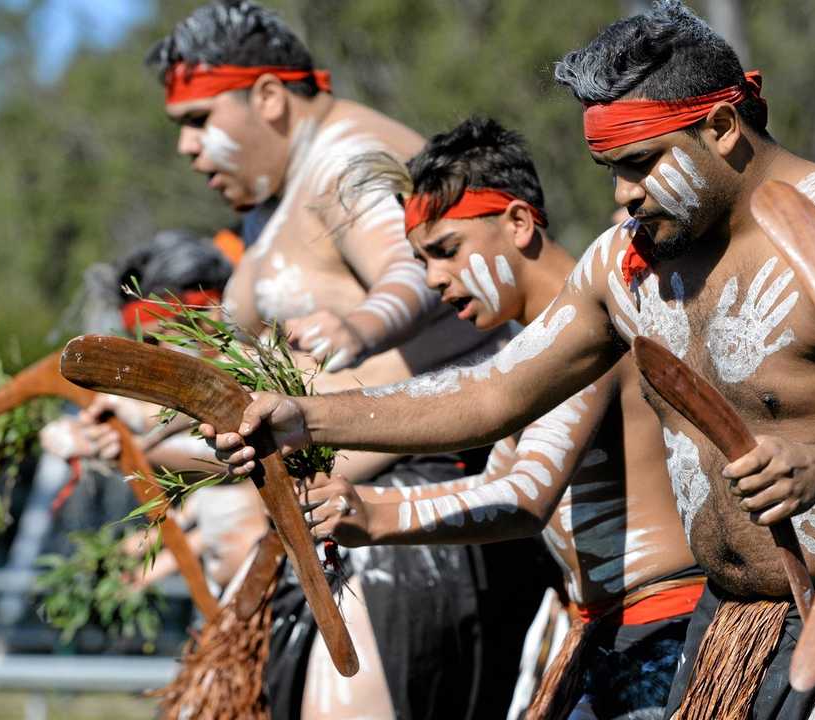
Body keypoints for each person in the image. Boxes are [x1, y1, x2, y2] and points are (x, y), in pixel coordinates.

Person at [205, 3, 815, 718]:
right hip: (736, 615)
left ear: (724, 128)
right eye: (611, 172)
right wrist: (309, 416)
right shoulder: (625, 265)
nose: (623, 195)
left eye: (641, 164)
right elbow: (493, 392)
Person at [146, 3, 532, 718]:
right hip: (344, 513)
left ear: (267, 97)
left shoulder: (346, 157)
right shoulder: (283, 194)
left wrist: (362, 322)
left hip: (411, 512)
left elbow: (420, 269)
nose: (188, 148)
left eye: (199, 120)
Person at [301, 116, 702, 718]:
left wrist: (375, 515)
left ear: (518, 223)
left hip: (662, 632)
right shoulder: (530, 351)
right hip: (609, 630)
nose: (434, 278)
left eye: (447, 250)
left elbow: (522, 497)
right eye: (421, 259)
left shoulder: (588, 322)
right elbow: (497, 482)